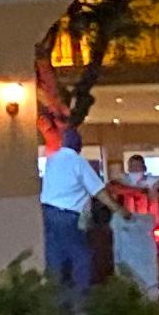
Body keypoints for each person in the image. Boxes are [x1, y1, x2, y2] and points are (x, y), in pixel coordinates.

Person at [37, 116, 103, 293]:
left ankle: (55, 296)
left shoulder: (52, 161)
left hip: (48, 213)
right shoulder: (77, 162)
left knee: (55, 255)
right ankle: (80, 296)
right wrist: (119, 209)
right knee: (81, 256)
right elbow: (98, 190)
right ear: (79, 146)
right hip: (69, 215)